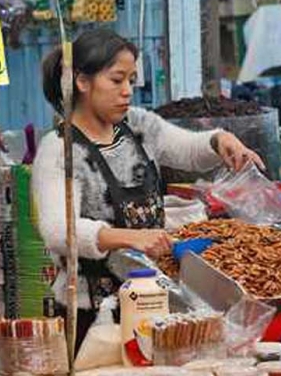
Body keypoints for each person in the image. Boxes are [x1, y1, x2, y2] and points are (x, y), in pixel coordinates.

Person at [32, 29, 264, 351]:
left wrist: (219, 140)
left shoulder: (138, 126)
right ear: (82, 82)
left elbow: (188, 150)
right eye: (116, 80)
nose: (127, 91)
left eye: (131, 80)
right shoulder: (59, 149)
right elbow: (58, 231)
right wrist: (131, 237)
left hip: (155, 301)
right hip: (93, 316)